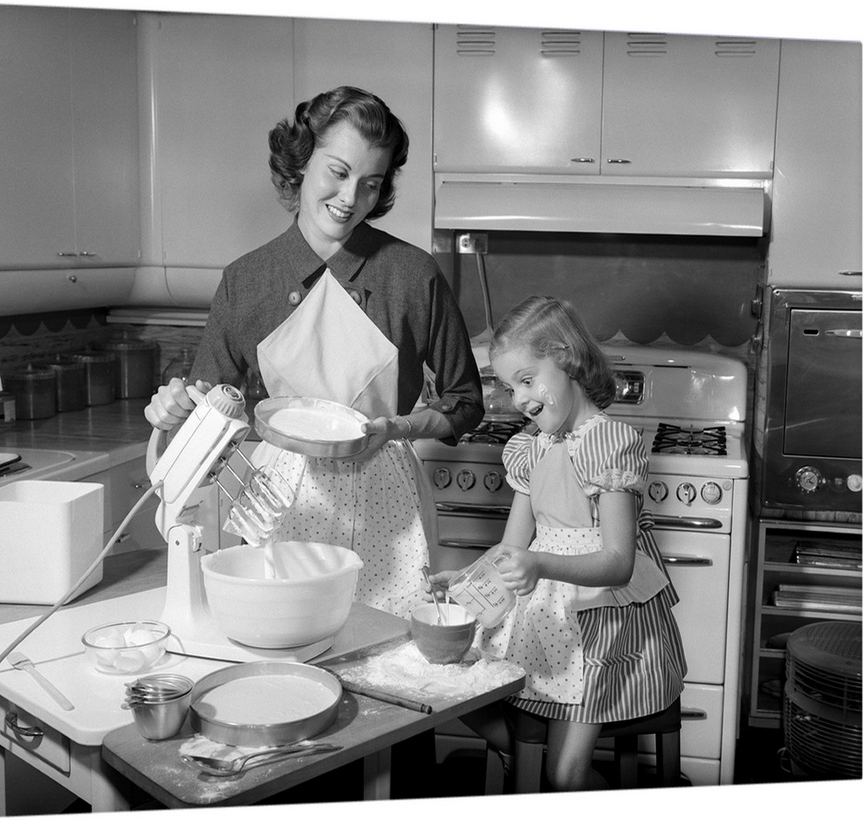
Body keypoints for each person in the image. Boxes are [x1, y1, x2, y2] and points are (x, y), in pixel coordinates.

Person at [145, 86, 484, 618]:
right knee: (287, 642)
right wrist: (174, 413)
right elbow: (205, 418)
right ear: (300, 163)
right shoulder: (246, 281)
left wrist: (397, 427)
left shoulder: (413, 276)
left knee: (388, 652)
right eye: (338, 171)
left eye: (371, 183)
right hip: (278, 500)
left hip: (386, 498)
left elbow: (465, 401)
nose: (352, 198)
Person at [428, 295, 687, 792]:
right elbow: (511, 549)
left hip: (601, 630)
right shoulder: (529, 447)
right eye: (508, 387)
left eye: (527, 380)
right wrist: (465, 580)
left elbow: (617, 564)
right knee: (444, 677)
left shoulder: (608, 441)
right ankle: (515, 756)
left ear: (567, 358)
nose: (519, 399)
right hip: (545, 619)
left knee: (564, 776)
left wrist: (539, 564)